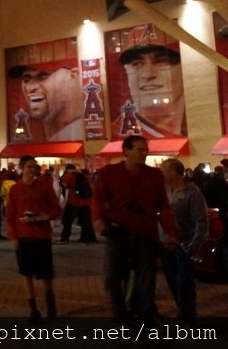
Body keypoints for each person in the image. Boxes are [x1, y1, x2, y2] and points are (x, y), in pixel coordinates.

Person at [91, 135, 177, 326]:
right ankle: (121, 314)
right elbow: (97, 198)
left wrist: (171, 232)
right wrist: (98, 220)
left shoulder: (154, 175)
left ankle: (145, 319)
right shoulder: (109, 173)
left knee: (146, 281)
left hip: (146, 233)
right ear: (126, 151)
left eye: (145, 150)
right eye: (139, 150)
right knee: (111, 278)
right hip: (118, 232)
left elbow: (163, 206)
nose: (144, 153)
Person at [5, 156, 62, 322]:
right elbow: (9, 216)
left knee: (46, 274)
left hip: (41, 236)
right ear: (22, 168)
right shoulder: (15, 189)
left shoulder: (44, 186)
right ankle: (33, 308)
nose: (33, 170)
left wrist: (44, 217)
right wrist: (13, 237)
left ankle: (51, 306)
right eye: (29, 167)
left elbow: (56, 209)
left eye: (34, 167)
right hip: (23, 237)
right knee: (26, 273)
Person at [113, 25, 186, 137]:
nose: (148, 74)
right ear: (127, 71)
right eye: (137, 64)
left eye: (162, 61)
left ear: (185, 67)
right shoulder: (116, 134)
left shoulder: (203, 124)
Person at [159, 158, 208, 324]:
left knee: (183, 281)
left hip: (184, 244)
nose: (161, 174)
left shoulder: (192, 193)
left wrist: (195, 243)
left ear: (173, 172)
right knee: (172, 280)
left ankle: (188, 315)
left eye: (163, 170)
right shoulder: (166, 190)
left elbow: (201, 221)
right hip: (167, 243)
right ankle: (183, 310)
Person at [9, 60, 84, 141]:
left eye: (43, 75)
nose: (30, 87)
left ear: (74, 77)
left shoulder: (81, 135)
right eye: (26, 78)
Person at [58, 164, 96, 244]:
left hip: (73, 202)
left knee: (67, 221)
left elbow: (64, 185)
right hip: (86, 202)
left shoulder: (69, 175)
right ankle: (84, 239)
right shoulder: (86, 176)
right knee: (85, 222)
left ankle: (65, 238)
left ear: (67, 169)